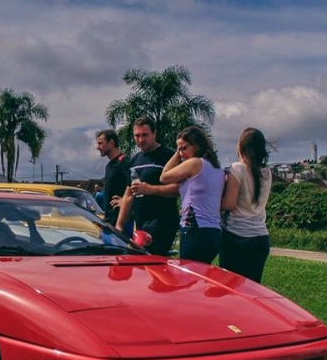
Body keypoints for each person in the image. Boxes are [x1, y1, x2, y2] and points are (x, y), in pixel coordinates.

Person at [115, 117, 179, 256]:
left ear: (154, 133)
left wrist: (150, 189)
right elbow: (128, 195)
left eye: (145, 135)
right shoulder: (134, 161)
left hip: (162, 221)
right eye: (137, 136)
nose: (141, 140)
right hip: (141, 222)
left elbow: (178, 189)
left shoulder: (168, 157)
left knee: (151, 258)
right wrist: (119, 226)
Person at [160, 126, 225, 264]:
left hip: (194, 229)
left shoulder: (194, 163)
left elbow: (164, 176)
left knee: (188, 277)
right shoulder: (217, 168)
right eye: (178, 149)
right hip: (214, 231)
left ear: (197, 146)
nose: (181, 153)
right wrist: (181, 150)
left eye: (184, 148)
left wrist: (176, 155)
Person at [219, 128, 273, 282]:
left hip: (236, 236)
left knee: (231, 288)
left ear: (241, 146)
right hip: (261, 237)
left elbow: (228, 204)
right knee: (252, 290)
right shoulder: (267, 172)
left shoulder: (237, 169)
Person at [95, 129, 132, 235]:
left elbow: (133, 186)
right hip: (109, 219)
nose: (98, 147)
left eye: (101, 143)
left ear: (111, 143)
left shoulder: (124, 162)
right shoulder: (109, 165)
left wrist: (124, 201)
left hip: (122, 221)